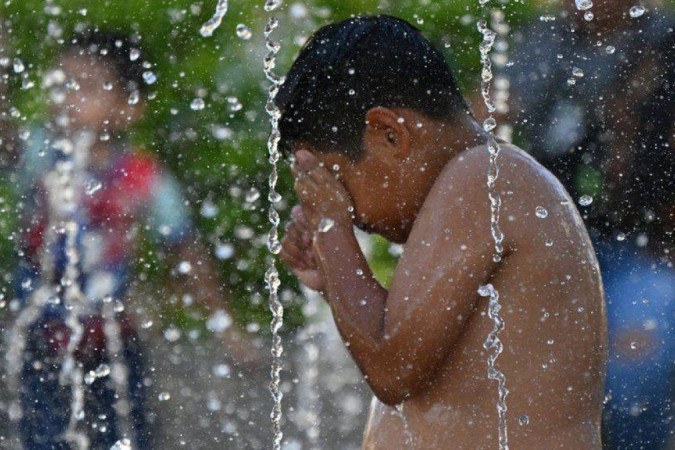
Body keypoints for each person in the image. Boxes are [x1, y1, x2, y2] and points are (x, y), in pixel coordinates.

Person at [278, 15, 607, 449]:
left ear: (390, 134)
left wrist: (329, 228)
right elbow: (412, 359)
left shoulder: (485, 178)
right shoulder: (483, 185)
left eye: (335, 185)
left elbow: (392, 368)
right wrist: (335, 282)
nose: (347, 213)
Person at [11, 31, 257, 449]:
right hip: (40, 335)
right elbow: (5, 140)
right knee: (42, 436)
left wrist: (226, 328)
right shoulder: (39, 152)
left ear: (129, 107)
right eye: (61, 84)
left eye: (85, 86)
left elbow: (185, 251)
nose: (67, 98)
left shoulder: (143, 177)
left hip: (113, 335)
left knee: (128, 432)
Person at [505, 2, 675, 448]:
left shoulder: (663, 39)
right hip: (546, 244)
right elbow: (492, 113)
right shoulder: (544, 42)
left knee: (635, 364)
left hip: (641, 247)